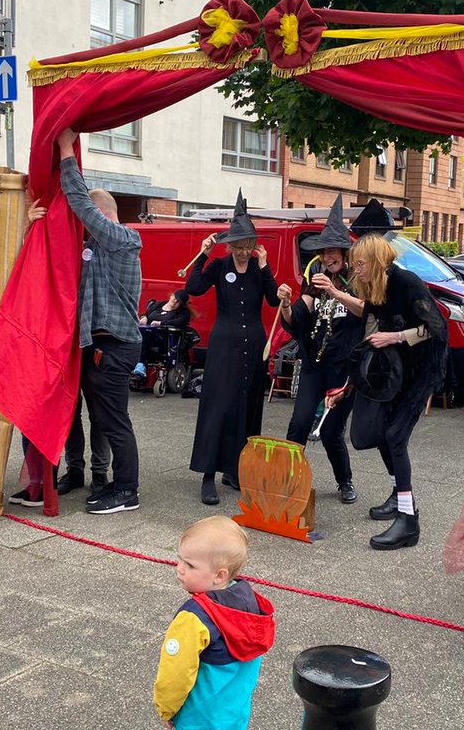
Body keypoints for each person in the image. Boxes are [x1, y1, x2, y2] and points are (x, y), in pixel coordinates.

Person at [330, 232, 446, 550]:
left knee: (396, 436)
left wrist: (395, 337)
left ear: (377, 261)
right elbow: (369, 338)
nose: (356, 271)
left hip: (421, 372)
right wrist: (350, 385)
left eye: (360, 264)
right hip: (391, 372)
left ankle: (409, 520)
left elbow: (436, 327)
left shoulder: (407, 282)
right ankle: (399, 495)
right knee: (380, 433)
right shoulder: (373, 288)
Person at [154, 516, 275, 730]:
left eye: (191, 565)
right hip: (232, 715)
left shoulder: (193, 617)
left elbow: (176, 673)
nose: (179, 568)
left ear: (219, 575)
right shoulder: (253, 606)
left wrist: (166, 709)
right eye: (180, 559)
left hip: (199, 717)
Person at [57, 128, 144, 516]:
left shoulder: (122, 238)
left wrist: (64, 148)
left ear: (103, 216)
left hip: (114, 345)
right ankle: (109, 482)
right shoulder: (96, 248)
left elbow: (80, 201)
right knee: (104, 417)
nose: (84, 227)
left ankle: (127, 490)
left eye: (90, 220)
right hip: (99, 345)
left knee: (113, 421)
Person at [185, 197, 280, 506]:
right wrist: (203, 254)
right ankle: (208, 474)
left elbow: (273, 301)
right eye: (238, 246)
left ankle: (236, 470)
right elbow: (194, 288)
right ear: (230, 245)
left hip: (253, 344)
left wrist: (265, 269)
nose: (242, 252)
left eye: (247, 246)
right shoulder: (219, 266)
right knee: (218, 405)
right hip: (224, 344)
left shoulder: (257, 268)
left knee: (246, 405)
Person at [276, 197, 364, 504]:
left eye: (333, 251)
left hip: (344, 369)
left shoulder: (356, 282)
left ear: (344, 253)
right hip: (314, 364)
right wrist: (287, 304)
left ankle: (345, 481)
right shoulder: (314, 283)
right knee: (299, 423)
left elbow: (362, 312)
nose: (328, 257)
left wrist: (335, 290)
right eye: (324, 252)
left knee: (330, 432)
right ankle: (287, 481)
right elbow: (299, 318)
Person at [134, 288, 193, 377]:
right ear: (171, 296)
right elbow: (146, 313)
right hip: (147, 332)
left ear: (181, 304)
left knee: (144, 337)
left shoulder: (182, 313)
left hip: (163, 337)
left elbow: (179, 322)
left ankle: (141, 364)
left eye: (178, 302)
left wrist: (161, 323)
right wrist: (144, 317)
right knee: (139, 335)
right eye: (175, 298)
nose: (174, 302)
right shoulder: (158, 305)